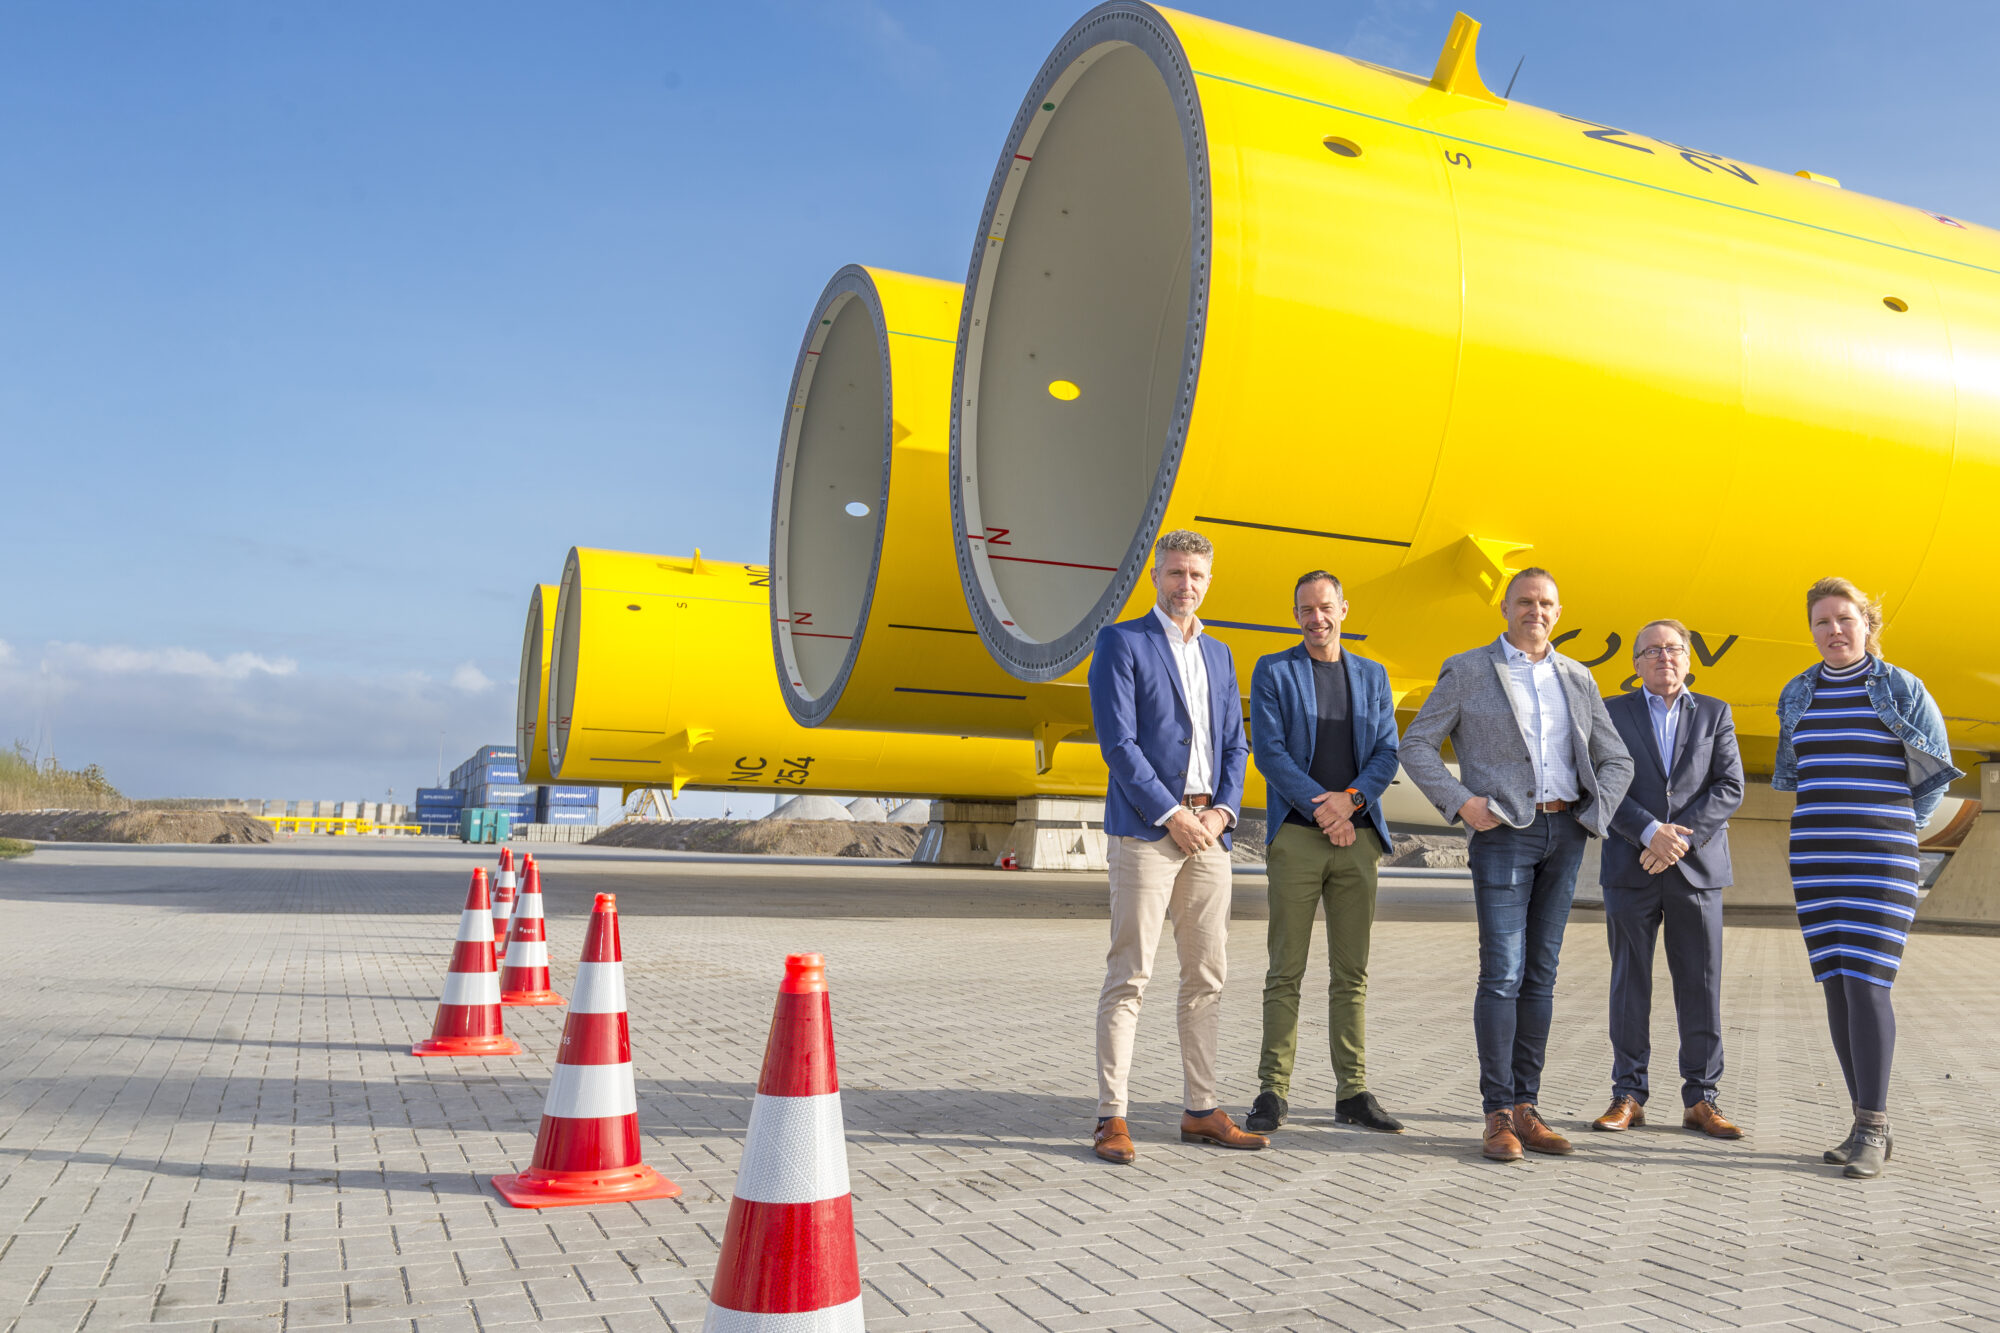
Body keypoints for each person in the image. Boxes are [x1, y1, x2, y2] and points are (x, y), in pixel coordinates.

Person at [1401, 568, 1633, 1162]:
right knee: (1502, 971)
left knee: (1542, 973)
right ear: (1505, 607)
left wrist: (1592, 815)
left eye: (1547, 603)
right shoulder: (1470, 668)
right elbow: (1417, 745)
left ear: (1559, 611)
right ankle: (1497, 1111)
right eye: (1525, 601)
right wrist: (1461, 802)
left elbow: (1617, 760)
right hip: (1504, 832)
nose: (1536, 611)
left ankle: (1528, 1107)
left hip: (1566, 832)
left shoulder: (1578, 677)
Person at [1772, 577, 1960, 1179]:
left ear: (1867, 624)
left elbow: (1935, 776)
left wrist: (1897, 828)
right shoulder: (1796, 691)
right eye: (1821, 622)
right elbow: (1799, 776)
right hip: (1815, 859)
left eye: (1844, 620)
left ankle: (1874, 1129)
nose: (1833, 631)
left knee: (1867, 984)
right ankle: (1862, 1124)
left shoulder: (1901, 687)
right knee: (1835, 986)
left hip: (1880, 861)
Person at [1085, 529, 1262, 1164]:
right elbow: (1118, 742)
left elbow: (1236, 744)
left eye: (1197, 575)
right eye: (1176, 573)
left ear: (1209, 581)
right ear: (1155, 576)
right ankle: (1113, 1116)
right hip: (1145, 831)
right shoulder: (1122, 641)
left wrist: (1222, 812)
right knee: (1129, 974)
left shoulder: (1219, 654)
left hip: (1210, 834)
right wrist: (1169, 813)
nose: (1186, 584)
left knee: (1207, 976)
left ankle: (1201, 1109)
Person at [1243, 570, 1404, 1135]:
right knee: (1284, 970)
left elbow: (1387, 751)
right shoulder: (1274, 670)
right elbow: (1270, 753)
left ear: (1344, 609)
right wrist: (1323, 808)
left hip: (1357, 839)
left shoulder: (1373, 675)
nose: (1318, 618)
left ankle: (1353, 1092)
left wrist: (1351, 802)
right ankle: (1272, 1090)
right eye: (1306, 610)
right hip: (1297, 837)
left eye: (1326, 607)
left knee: (1351, 974)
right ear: (1296, 615)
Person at [1592, 620, 1746, 1139]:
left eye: (1674, 649)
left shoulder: (1715, 713)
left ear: (1687, 659)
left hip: (1697, 871)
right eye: (1652, 650)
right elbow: (1599, 781)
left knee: (1701, 985)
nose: (1664, 657)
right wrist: (1650, 832)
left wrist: (1678, 839)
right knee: (1629, 984)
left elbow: (1729, 786)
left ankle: (1702, 1099)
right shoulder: (1611, 712)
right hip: (1630, 866)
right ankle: (1628, 1095)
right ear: (1635, 664)